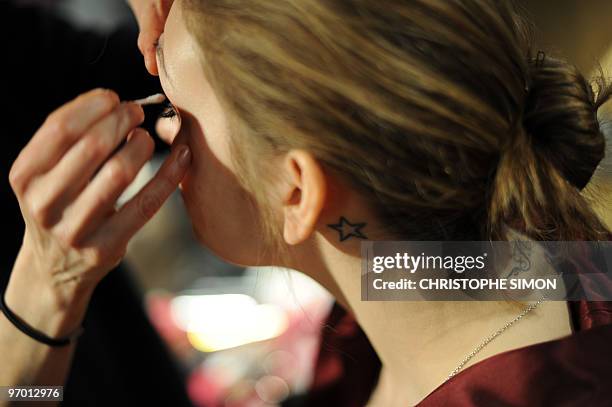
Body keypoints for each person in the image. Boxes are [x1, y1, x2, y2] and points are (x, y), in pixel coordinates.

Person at [2, 1, 612, 406]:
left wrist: (32, 349)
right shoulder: (427, 270)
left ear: (295, 191)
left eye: (173, 110)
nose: (163, 136)